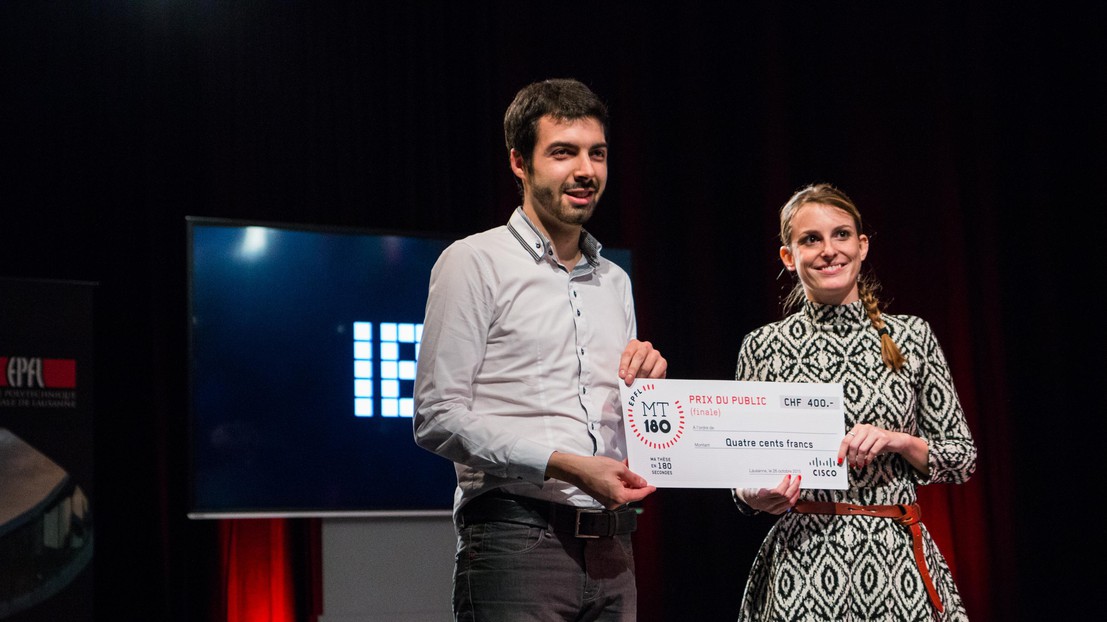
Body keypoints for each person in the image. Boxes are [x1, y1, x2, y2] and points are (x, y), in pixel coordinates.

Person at [413, 78, 667, 622]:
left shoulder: (615, 281)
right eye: (563, 152)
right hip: (515, 540)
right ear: (519, 163)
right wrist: (567, 466)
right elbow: (436, 417)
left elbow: (614, 422)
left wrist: (649, 392)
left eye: (596, 153)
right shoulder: (473, 262)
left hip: (613, 547)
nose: (585, 170)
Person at [731, 183, 977, 621]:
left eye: (841, 235)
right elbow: (742, 474)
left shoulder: (912, 336)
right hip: (803, 564)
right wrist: (753, 493)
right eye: (811, 239)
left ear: (862, 247)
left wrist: (897, 440)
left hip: (896, 561)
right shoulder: (762, 346)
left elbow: (961, 458)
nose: (829, 250)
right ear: (789, 256)